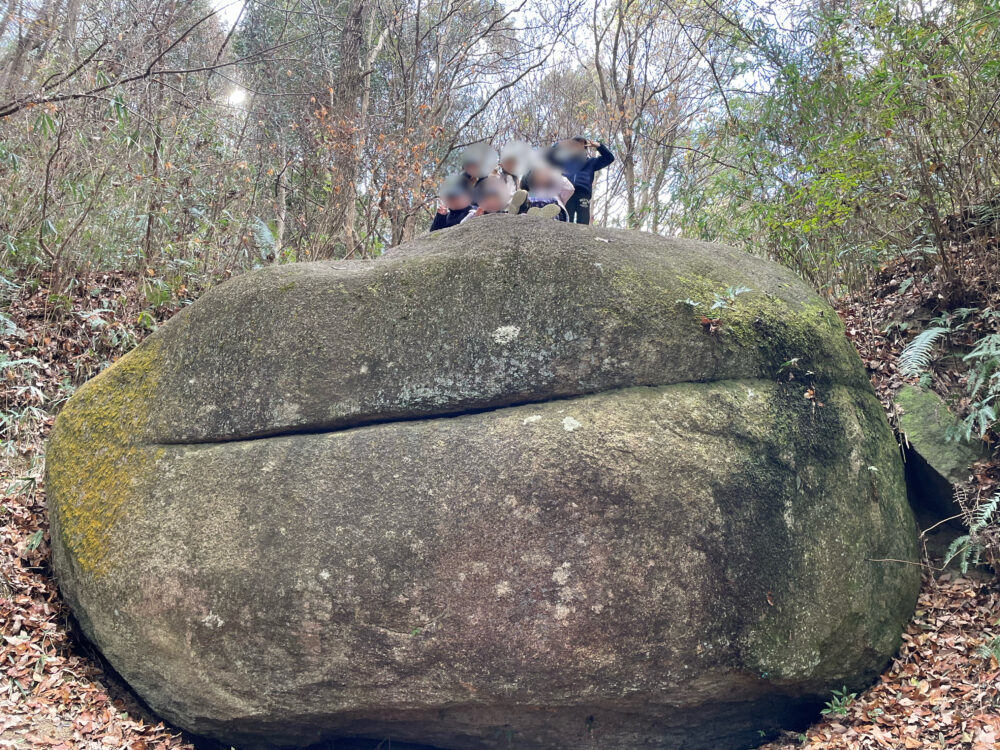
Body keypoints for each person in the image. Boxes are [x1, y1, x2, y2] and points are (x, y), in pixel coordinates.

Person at [548, 137, 615, 224]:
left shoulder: (591, 162)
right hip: (567, 191)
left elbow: (609, 158)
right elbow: (549, 158)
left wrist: (599, 146)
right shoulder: (564, 162)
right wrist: (558, 145)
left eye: (580, 145)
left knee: (583, 220)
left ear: (585, 148)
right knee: (566, 219)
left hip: (583, 192)